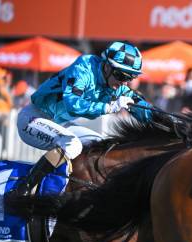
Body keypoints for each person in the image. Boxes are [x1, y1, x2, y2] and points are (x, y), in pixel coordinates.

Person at [14, 41, 153, 196]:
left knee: (100, 146)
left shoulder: (117, 84)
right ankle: (25, 188)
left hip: (62, 124)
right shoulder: (83, 68)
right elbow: (72, 104)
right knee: (72, 145)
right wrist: (109, 107)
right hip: (33, 118)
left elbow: (145, 110)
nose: (124, 83)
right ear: (107, 66)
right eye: (121, 75)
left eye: (130, 78)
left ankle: (76, 190)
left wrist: (172, 123)